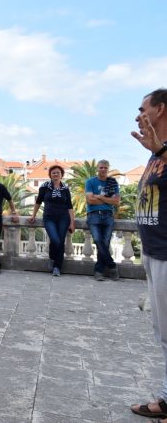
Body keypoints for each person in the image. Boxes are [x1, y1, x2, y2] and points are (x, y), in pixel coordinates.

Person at [130, 88, 167, 421]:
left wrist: (161, 150)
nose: (138, 116)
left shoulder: (161, 150)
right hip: (154, 250)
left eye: (143, 109)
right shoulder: (155, 152)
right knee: (163, 329)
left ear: (161, 109)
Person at [28, 165, 75, 277]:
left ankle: (57, 267)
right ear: (50, 175)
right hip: (49, 218)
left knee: (61, 241)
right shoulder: (44, 187)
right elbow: (38, 202)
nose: (55, 174)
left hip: (63, 218)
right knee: (55, 240)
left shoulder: (65, 188)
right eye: (53, 172)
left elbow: (69, 206)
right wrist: (33, 215)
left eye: (58, 172)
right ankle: (52, 258)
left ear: (61, 175)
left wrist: (72, 222)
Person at [85, 159, 120, 281]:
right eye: (101, 167)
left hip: (108, 216)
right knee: (98, 240)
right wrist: (107, 199)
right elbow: (90, 200)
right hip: (93, 215)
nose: (103, 169)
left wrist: (99, 197)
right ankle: (112, 265)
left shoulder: (112, 182)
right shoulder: (90, 182)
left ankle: (99, 271)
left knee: (105, 243)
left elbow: (116, 201)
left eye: (105, 167)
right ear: (97, 168)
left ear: (108, 168)